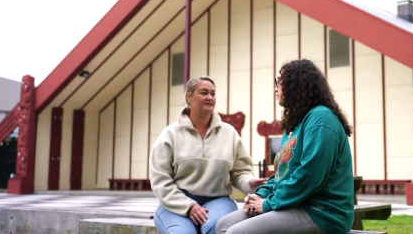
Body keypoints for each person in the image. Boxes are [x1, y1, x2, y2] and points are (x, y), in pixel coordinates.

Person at [216, 59, 355, 234]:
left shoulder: (321, 119)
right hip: (294, 204)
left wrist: (268, 204)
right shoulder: (294, 124)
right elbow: (282, 175)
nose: (275, 88)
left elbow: (310, 175)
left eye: (279, 82)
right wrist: (261, 195)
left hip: (322, 213)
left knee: (237, 232)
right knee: (223, 225)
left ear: (297, 84)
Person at [149, 75, 265, 234]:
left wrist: (250, 183)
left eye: (213, 93)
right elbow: (160, 180)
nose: (210, 97)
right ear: (188, 97)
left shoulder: (229, 133)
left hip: (218, 200)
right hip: (175, 203)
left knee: (215, 228)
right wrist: (188, 206)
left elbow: (240, 171)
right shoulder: (170, 135)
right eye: (204, 93)